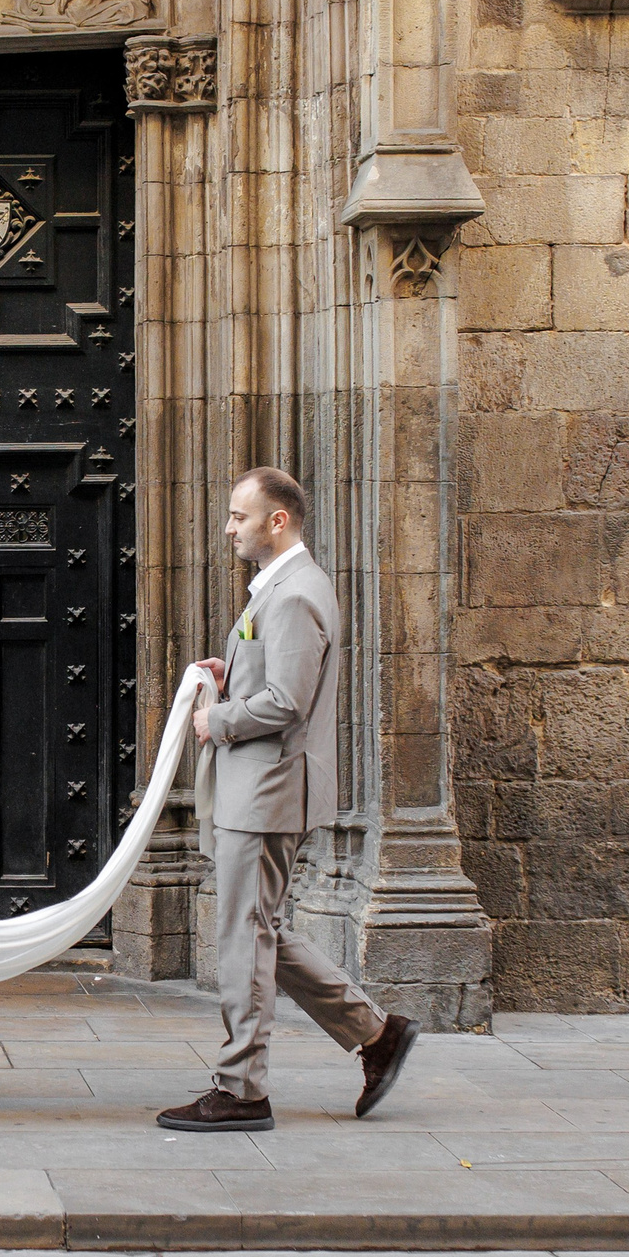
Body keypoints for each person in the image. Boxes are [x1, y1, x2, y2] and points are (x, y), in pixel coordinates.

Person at [156, 468, 419, 1133]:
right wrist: (231, 675)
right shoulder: (279, 588)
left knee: (244, 936)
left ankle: (242, 1089)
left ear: (277, 521)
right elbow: (274, 680)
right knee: (260, 928)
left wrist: (217, 720)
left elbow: (287, 702)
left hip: (267, 790)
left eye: (239, 517)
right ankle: (377, 1034)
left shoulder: (295, 593)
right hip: (261, 787)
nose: (229, 529)